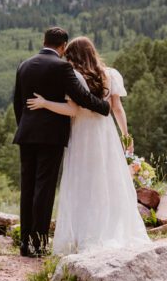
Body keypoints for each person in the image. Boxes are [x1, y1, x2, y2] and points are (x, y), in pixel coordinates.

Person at [25, 36, 150, 255]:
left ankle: (85, 233)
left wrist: (45, 103)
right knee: (108, 180)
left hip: (82, 133)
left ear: (73, 56)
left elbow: (72, 110)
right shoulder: (110, 74)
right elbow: (117, 108)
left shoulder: (73, 77)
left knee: (82, 182)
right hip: (106, 133)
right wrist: (126, 134)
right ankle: (111, 229)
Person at [12, 27, 111, 257]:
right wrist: (104, 107)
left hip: (26, 134)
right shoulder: (61, 67)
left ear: (43, 41)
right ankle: (38, 243)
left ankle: (25, 243)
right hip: (50, 136)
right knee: (44, 189)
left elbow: (17, 103)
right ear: (63, 46)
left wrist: (25, 126)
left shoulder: (24, 65)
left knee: (27, 188)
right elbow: (81, 97)